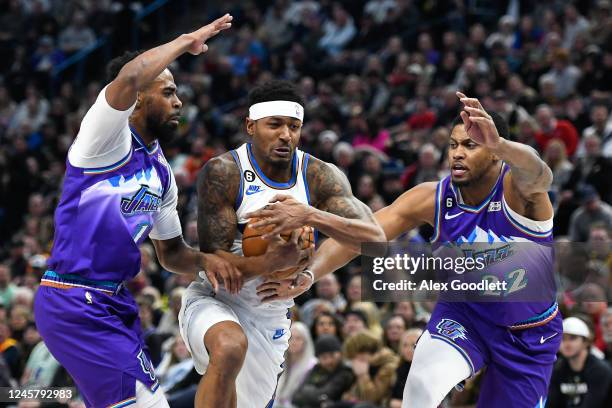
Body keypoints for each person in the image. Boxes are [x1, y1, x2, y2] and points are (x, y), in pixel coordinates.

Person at [261, 92, 562, 407]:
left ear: (496, 154)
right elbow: (366, 235)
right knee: (420, 388)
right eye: (454, 145)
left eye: (471, 145)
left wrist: (500, 143)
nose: (458, 154)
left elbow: (541, 173)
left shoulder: (520, 193)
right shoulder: (432, 197)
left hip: (528, 333)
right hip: (465, 315)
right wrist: (307, 275)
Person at [32, 15, 239, 408]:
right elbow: (128, 77)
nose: (179, 101)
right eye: (169, 91)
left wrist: (225, 262)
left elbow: (173, 255)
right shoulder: (104, 139)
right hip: (74, 298)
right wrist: (187, 38)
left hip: (114, 302)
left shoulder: (162, 172)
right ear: (141, 96)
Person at [180, 79, 384, 408]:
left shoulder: (319, 175)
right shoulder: (224, 172)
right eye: (274, 125)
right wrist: (273, 260)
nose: (285, 135)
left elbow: (374, 239)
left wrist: (311, 217)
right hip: (216, 301)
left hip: (270, 312)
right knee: (229, 347)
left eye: (294, 126)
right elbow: (219, 270)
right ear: (251, 125)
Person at [548, 317, 612, 407]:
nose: (567, 344)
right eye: (562, 339)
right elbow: (552, 403)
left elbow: (592, 404)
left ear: (586, 342)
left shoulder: (600, 370)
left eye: (572, 338)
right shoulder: (557, 368)